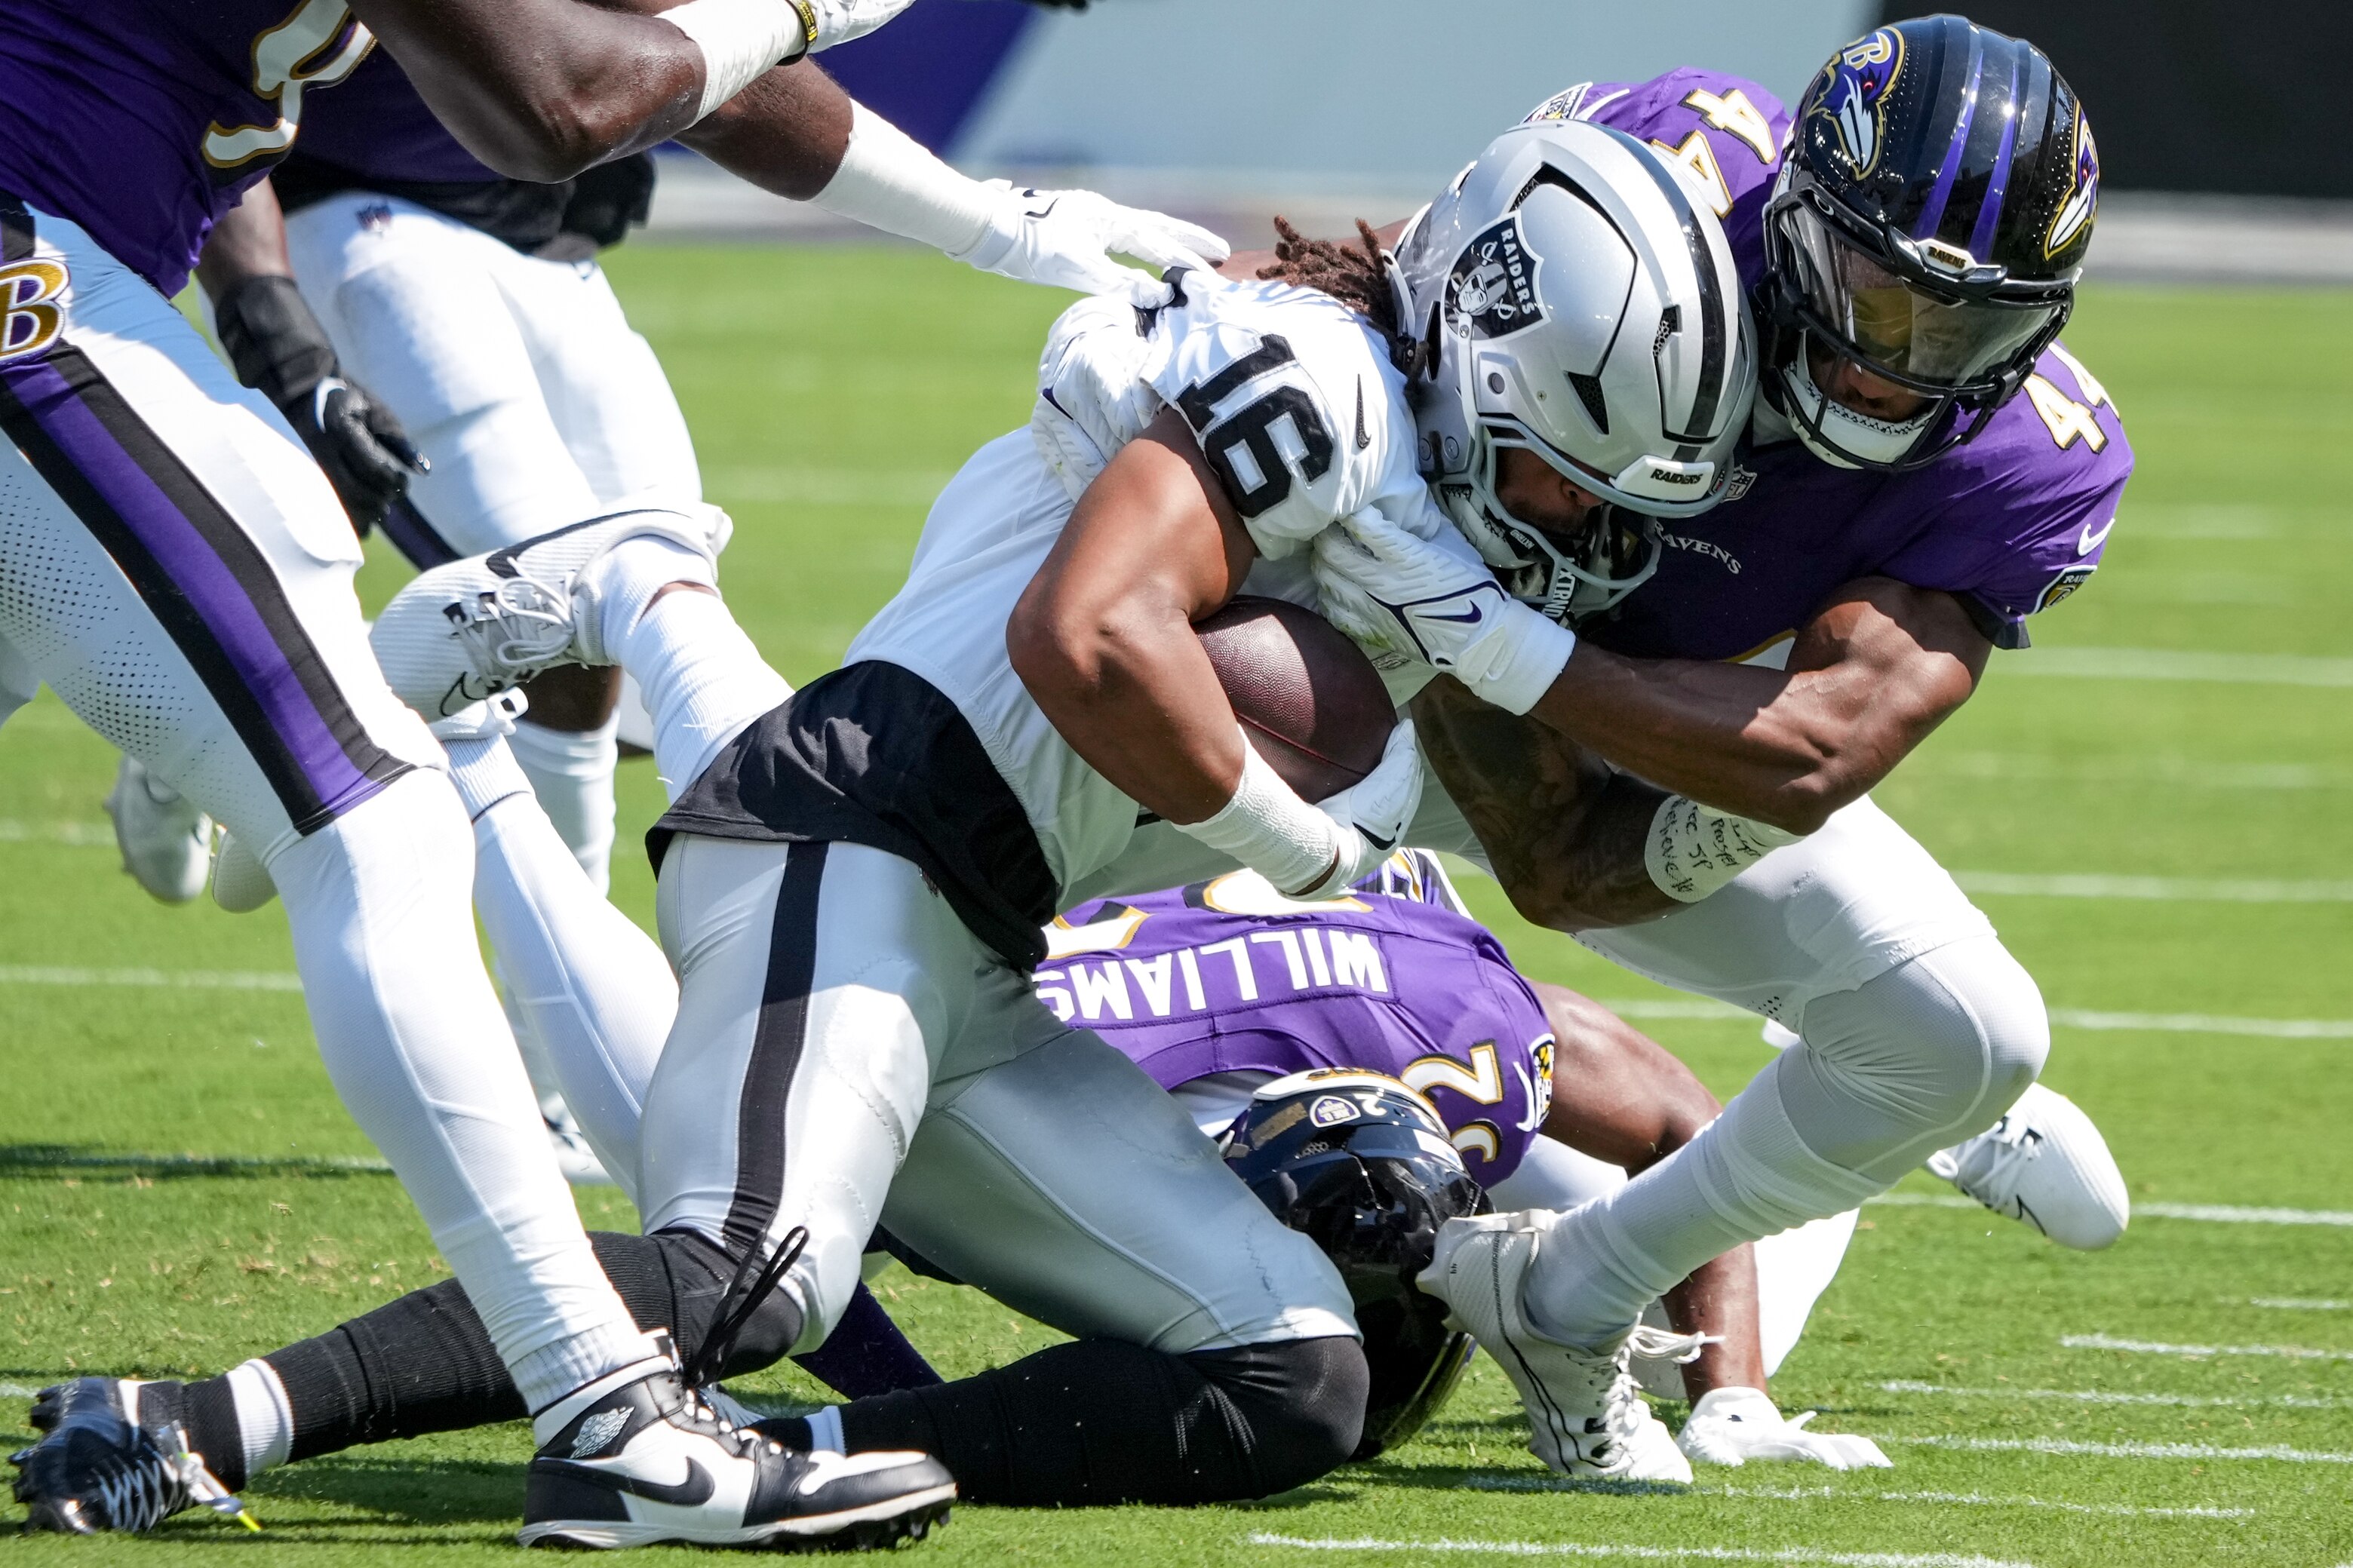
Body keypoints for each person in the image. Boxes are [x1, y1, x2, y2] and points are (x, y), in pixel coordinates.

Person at [0, 0, 1239, 1547]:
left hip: (89, 242)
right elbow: (567, 99)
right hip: (38, 249)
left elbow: (664, 63)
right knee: (374, 817)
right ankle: (608, 1408)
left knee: (353, 729)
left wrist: (999, 222)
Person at [1284, 17, 2133, 1478]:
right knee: (1022, 907)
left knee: (1960, 1036)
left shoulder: (2027, 454)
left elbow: (1805, 751)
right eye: (1883, 302)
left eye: (1970, 332)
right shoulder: (1676, 165)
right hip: (1324, 622)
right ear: (1799, 224)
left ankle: (1568, 1288)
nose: (1905, 370)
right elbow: (1401, 323)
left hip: (1601, 685)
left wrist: (1494, 639)